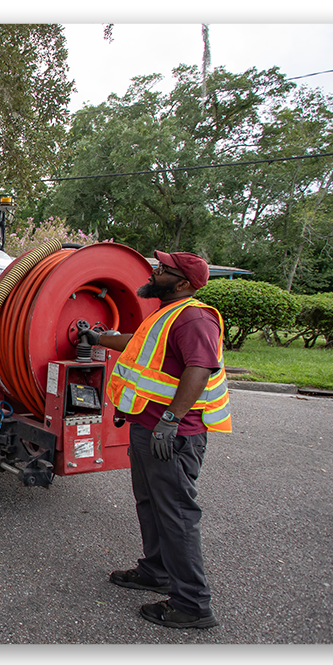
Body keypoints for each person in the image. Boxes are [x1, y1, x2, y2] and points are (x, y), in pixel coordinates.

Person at [94, 250, 232, 629]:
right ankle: (156, 571)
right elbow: (138, 346)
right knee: (151, 504)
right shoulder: (166, 314)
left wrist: (170, 420)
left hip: (171, 436)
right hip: (148, 428)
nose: (154, 272)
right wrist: (99, 337)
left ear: (183, 283)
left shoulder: (194, 318)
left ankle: (192, 604)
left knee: (176, 514)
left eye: (163, 269)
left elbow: (200, 368)